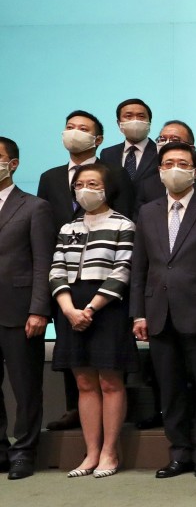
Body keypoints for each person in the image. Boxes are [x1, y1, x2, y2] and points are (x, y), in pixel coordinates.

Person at [129, 142, 196, 479]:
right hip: (159, 313)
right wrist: (139, 313)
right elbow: (140, 268)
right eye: (169, 162)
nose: (175, 168)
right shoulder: (147, 211)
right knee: (170, 389)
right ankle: (179, 453)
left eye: (182, 163)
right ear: (159, 171)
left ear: (195, 171)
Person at [50, 162, 138, 478]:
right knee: (84, 383)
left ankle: (110, 453)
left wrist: (91, 308)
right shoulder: (67, 228)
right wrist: (69, 309)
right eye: (79, 184)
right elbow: (56, 269)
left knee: (109, 382)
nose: (85, 189)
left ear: (107, 187)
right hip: (70, 309)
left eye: (92, 183)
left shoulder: (124, 225)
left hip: (108, 309)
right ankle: (90, 453)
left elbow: (122, 270)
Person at [38, 110, 112, 433]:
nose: (75, 133)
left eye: (83, 129)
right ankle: (72, 408)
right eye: (70, 127)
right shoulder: (50, 177)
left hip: (103, 275)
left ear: (98, 138)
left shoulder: (113, 173)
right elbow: (41, 225)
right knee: (71, 345)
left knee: (103, 354)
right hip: (62, 274)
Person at [0, 137, 54, 480]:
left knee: (25, 385)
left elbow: (42, 264)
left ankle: (24, 450)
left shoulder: (34, 207)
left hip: (20, 311)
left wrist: (39, 310)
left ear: (13, 163)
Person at [98, 98, 156, 217]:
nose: (135, 120)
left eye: (141, 116)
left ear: (149, 122)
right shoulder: (107, 154)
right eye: (128, 116)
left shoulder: (161, 153)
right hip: (115, 221)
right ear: (119, 123)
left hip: (151, 218)